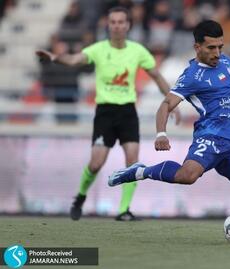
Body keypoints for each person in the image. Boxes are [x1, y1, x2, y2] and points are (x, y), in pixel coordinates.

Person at [108, 20, 230, 245]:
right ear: (197, 47)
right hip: (210, 137)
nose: (217, 53)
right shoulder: (191, 76)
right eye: (211, 48)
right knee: (187, 176)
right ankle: (141, 172)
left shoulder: (225, 63)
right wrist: (161, 134)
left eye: (220, 47)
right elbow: (166, 104)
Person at [36, 6, 180, 221]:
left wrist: (172, 103)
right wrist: (55, 57)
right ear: (108, 25)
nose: (117, 26)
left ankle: (124, 210)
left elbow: (157, 76)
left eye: (121, 22)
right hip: (105, 112)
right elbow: (75, 60)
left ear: (128, 25)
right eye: (113, 22)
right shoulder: (98, 49)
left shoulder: (137, 51)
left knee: (133, 162)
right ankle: (81, 196)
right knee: (96, 164)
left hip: (128, 112)